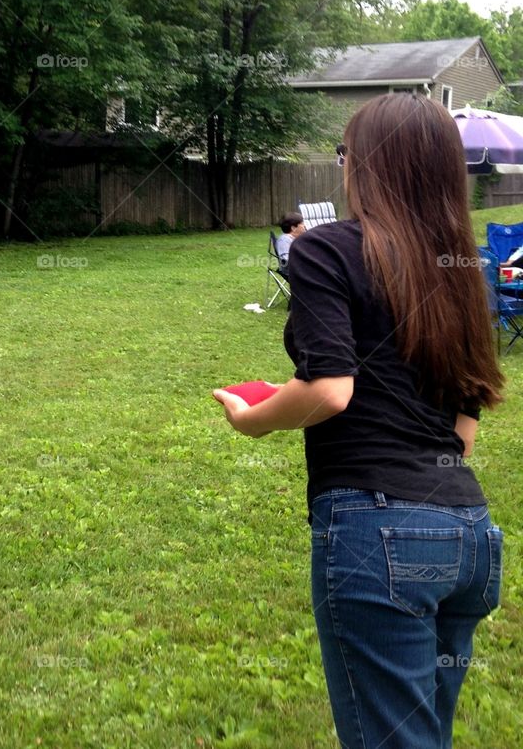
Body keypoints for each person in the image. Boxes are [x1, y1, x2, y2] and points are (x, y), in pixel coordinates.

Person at [213, 93, 504, 749]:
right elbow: (462, 433)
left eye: (348, 153)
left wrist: (254, 419)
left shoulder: (325, 251)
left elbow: (331, 388)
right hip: (470, 539)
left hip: (381, 539)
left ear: (367, 166)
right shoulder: (462, 273)